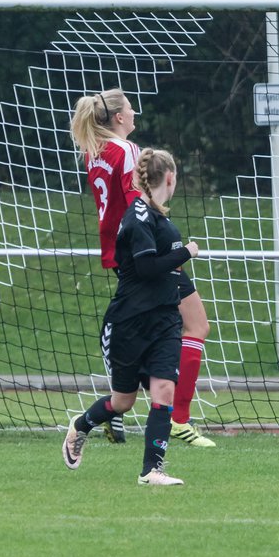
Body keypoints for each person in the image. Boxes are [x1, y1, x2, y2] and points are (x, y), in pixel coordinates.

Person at [70, 89, 214, 447]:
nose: (136, 113)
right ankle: (176, 417)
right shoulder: (126, 151)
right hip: (143, 250)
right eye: (131, 108)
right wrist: (165, 237)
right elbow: (138, 200)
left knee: (158, 323)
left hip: (122, 252)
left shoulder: (96, 152)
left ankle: (119, 408)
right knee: (193, 324)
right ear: (119, 117)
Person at [62, 148, 195, 485]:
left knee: (163, 391)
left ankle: (152, 470)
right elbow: (148, 268)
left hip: (165, 320)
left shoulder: (161, 218)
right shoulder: (137, 216)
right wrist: (186, 252)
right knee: (123, 402)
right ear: (170, 177)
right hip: (129, 322)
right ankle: (81, 426)